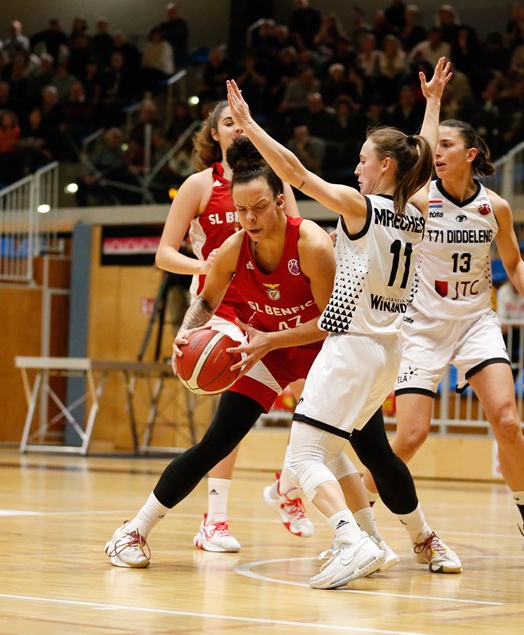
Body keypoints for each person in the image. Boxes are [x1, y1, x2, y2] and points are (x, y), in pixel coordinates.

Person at [221, 62, 462, 589]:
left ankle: (353, 541)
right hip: (388, 354)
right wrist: (433, 103)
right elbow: (419, 156)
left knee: (302, 458)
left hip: (351, 346)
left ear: (385, 168)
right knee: (332, 451)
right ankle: (387, 538)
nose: (356, 170)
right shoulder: (418, 209)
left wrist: (250, 125)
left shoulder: (361, 207)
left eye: (362, 161)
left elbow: (296, 174)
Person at [106, 136, 344, 568]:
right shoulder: (234, 248)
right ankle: (134, 530)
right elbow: (206, 302)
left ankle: (386, 534)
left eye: (258, 208)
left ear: (279, 200)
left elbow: (330, 324)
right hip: (269, 352)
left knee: (354, 443)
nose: (248, 219)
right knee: (216, 442)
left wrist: (271, 340)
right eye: (240, 211)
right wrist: (184, 334)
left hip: (321, 349)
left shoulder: (310, 244)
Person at [362, 118, 524, 565]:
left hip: (476, 322)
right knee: (411, 437)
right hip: (421, 327)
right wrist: (431, 104)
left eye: (447, 145)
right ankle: (358, 521)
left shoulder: (495, 207)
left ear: (470, 153)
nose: (437, 152)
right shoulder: (419, 200)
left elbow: (514, 263)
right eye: (435, 146)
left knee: (508, 421)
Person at [149, 99, 310, 551]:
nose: (237, 129)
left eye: (242, 121)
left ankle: (289, 486)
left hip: (273, 303)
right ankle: (214, 519)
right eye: (227, 123)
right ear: (214, 134)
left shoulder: (271, 181)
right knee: (232, 419)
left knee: (316, 399)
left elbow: (298, 228)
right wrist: (203, 262)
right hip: (219, 306)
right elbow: (164, 253)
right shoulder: (199, 185)